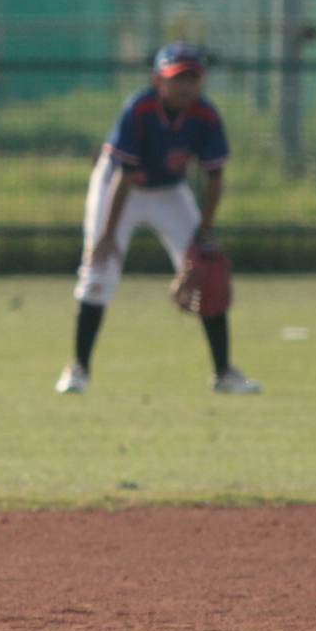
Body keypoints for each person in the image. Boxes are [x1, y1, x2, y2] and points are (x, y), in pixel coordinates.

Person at [56, 42, 259, 396]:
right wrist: (106, 236)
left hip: (168, 190)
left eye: (192, 78)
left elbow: (214, 179)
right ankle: (78, 369)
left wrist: (202, 236)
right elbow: (125, 176)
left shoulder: (205, 115)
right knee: (98, 271)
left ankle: (224, 373)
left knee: (205, 272)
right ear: (158, 80)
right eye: (178, 77)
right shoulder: (140, 108)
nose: (186, 86)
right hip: (118, 186)